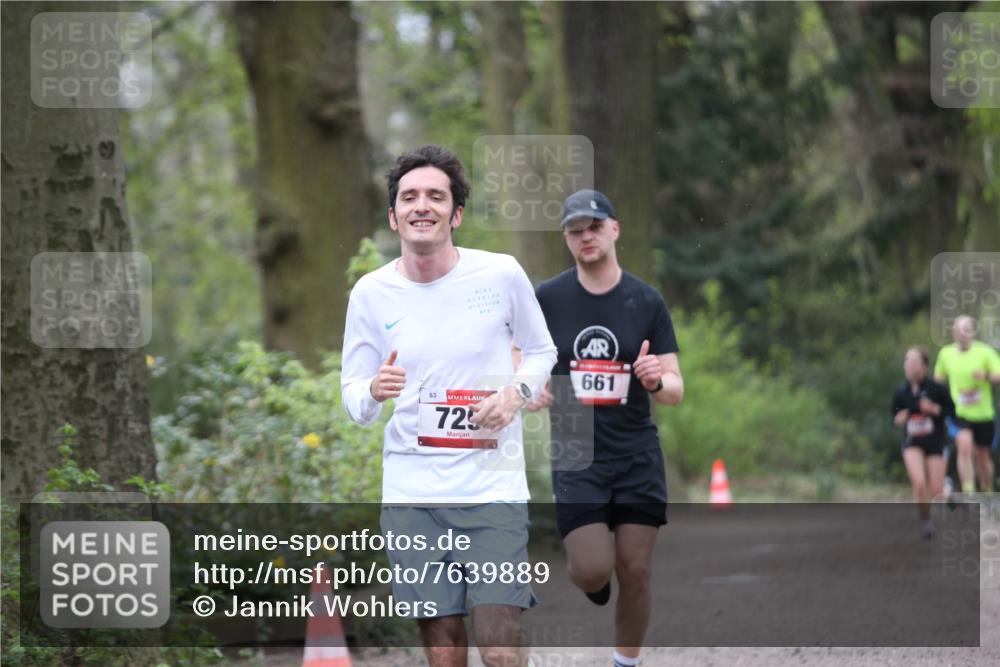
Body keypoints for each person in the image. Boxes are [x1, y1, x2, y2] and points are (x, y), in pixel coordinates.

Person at [341, 145, 557, 667]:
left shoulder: (500, 275)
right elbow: (352, 394)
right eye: (409, 197)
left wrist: (515, 394)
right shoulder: (371, 293)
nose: (423, 205)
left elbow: (541, 350)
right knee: (443, 644)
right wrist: (373, 391)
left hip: (490, 485)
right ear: (393, 215)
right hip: (413, 492)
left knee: (499, 638)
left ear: (456, 214)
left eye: (436, 196)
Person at [525, 189, 683, 667]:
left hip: (635, 450)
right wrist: (533, 389)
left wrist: (656, 380)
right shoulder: (547, 298)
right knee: (592, 570)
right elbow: (520, 363)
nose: (585, 236)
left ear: (614, 230)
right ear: (567, 240)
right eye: (576, 230)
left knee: (635, 568)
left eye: (594, 226)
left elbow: (676, 388)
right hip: (576, 448)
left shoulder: (645, 300)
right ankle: (595, 585)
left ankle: (625, 661)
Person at [890, 346, 954, 538]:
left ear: (925, 366)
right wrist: (900, 418)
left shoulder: (937, 389)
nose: (910, 366)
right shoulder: (901, 391)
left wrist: (933, 409)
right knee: (919, 483)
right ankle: (926, 522)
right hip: (913, 442)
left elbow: (951, 412)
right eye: (907, 361)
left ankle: (946, 488)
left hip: (935, 442)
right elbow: (894, 419)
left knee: (936, 491)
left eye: (914, 361)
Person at [933, 316, 1000, 494]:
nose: (961, 333)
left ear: (972, 332)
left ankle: (987, 491)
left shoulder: (985, 352)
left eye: (965, 329)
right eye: (957, 329)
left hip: (983, 414)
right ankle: (969, 492)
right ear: (953, 332)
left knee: (983, 458)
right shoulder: (945, 354)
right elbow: (937, 382)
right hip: (959, 413)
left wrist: (985, 376)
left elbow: (998, 376)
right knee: (964, 445)